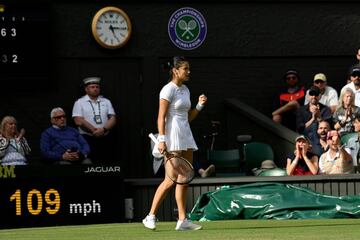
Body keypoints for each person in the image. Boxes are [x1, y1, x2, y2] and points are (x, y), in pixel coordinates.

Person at [143, 56, 205, 231]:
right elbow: (161, 117)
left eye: (188, 69)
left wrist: (199, 106)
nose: (188, 72)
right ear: (175, 70)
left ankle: (182, 220)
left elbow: (188, 117)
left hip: (186, 134)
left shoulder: (186, 90)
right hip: (172, 136)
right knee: (171, 180)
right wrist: (162, 139)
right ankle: (150, 216)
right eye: (185, 69)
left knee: (184, 180)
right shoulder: (167, 90)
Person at [72, 77, 116, 163]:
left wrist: (103, 130)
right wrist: (95, 131)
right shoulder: (79, 102)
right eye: (92, 87)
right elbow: (78, 120)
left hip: (105, 138)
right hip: (87, 138)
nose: (95, 89)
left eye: (97, 87)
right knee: (90, 163)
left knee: (106, 162)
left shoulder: (106, 101)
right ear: (86, 89)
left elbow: (113, 118)